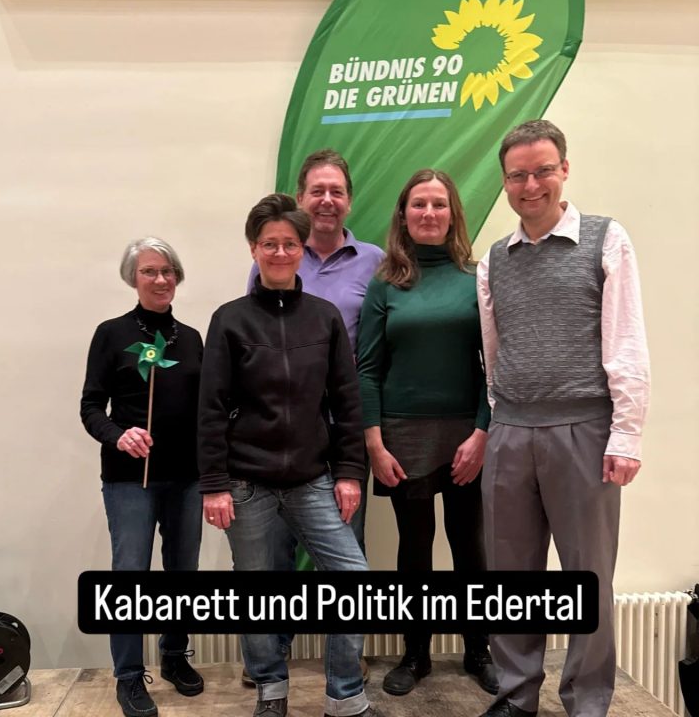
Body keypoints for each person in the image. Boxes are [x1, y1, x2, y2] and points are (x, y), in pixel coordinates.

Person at [476, 119, 650, 717]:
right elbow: (493, 347)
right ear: (504, 182)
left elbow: (626, 341)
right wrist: (502, 418)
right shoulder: (494, 259)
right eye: (518, 175)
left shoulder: (606, 239)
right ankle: (516, 695)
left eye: (543, 170)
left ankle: (587, 701)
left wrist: (626, 433)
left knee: (587, 577)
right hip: (512, 431)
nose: (531, 185)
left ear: (564, 169)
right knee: (511, 578)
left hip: (585, 430)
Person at [199, 194, 383, 717]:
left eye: (290, 243)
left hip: (311, 479)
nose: (280, 252)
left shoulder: (323, 318)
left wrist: (349, 473)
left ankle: (344, 696)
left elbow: (347, 403)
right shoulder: (229, 320)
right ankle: (271, 691)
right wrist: (213, 484)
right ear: (254, 250)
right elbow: (210, 408)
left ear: (302, 249)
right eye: (269, 244)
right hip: (246, 483)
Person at [357, 169, 498, 697]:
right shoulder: (385, 284)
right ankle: (415, 655)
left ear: (453, 213)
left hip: (466, 433)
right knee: (415, 547)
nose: (429, 213)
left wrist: (482, 431)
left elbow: (493, 366)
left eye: (439, 204)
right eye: (419, 204)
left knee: (469, 545)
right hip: (400, 435)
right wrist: (374, 442)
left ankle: (478, 651)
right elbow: (366, 369)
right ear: (404, 214)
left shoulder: (477, 279)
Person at [80, 237, 204, 717]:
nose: (161, 279)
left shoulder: (191, 338)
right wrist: (118, 435)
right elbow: (91, 407)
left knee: (182, 574)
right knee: (131, 577)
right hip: (131, 479)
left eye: (168, 271)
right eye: (150, 271)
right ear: (134, 278)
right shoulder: (111, 334)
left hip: (187, 478)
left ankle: (174, 657)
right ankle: (129, 677)